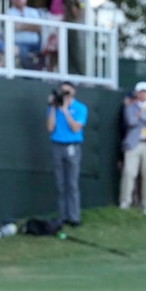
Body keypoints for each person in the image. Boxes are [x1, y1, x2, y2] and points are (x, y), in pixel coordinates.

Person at [46, 81, 88, 226]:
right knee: (60, 183)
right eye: (62, 92)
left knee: (72, 183)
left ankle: (74, 217)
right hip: (57, 145)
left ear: (73, 92)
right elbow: (50, 128)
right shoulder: (54, 108)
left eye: (67, 92)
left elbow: (76, 128)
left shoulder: (80, 108)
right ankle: (63, 215)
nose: (64, 95)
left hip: (73, 147)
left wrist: (65, 110)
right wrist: (53, 107)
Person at [119, 81, 146, 214]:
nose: (143, 94)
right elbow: (131, 121)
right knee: (129, 172)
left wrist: (141, 115)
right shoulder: (130, 107)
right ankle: (125, 201)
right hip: (134, 143)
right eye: (141, 92)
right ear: (137, 93)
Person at [5, 0, 42, 69]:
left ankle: (38, 74)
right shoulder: (9, 12)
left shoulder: (33, 11)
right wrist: (30, 26)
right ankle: (29, 76)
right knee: (23, 52)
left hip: (35, 44)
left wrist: (22, 26)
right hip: (19, 43)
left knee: (45, 51)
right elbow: (15, 26)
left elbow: (38, 27)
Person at [63, 0, 84, 75]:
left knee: (76, 54)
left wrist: (72, 2)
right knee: (65, 55)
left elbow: (78, 15)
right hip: (63, 30)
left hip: (73, 30)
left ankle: (81, 74)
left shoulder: (80, 0)